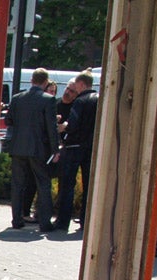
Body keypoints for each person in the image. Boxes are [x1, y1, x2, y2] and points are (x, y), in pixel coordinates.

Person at [5, 68, 59, 231]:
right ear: (45, 82)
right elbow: (51, 128)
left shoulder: (17, 98)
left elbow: (9, 120)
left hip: (18, 147)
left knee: (18, 184)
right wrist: (55, 149)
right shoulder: (48, 100)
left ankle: (16, 220)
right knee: (43, 183)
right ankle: (44, 222)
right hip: (38, 148)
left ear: (31, 80)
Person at [54, 70, 98, 231]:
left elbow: (72, 125)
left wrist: (62, 127)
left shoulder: (80, 101)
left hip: (74, 147)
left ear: (81, 84)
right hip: (92, 147)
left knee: (67, 185)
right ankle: (85, 221)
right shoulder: (100, 99)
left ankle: (62, 221)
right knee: (89, 186)